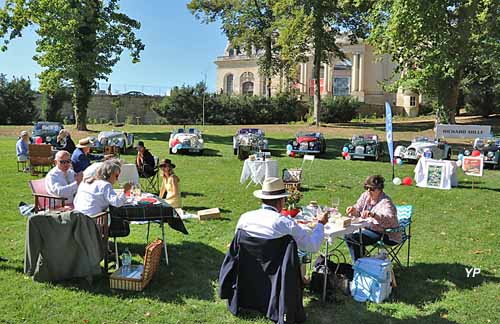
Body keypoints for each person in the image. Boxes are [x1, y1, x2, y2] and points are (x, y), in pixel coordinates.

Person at [344, 175, 401, 261]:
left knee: (353, 237)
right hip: (368, 228)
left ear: (380, 189)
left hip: (385, 233)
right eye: (366, 187)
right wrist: (353, 210)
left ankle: (359, 264)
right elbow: (358, 209)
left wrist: (374, 215)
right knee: (349, 234)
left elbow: (389, 220)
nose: (368, 191)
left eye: (372, 189)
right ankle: (362, 261)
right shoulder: (365, 196)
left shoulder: (386, 202)